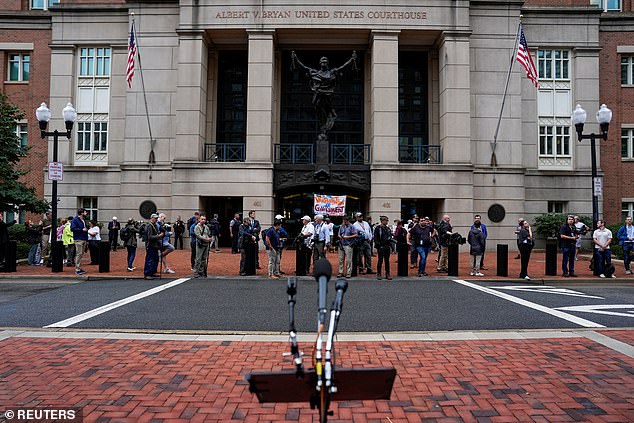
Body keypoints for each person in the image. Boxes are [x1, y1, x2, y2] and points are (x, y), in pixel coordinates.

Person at [290, 50, 357, 135]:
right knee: (320, 110)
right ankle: (323, 127)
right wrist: (295, 59)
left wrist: (352, 60)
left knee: (326, 111)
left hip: (327, 96)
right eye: (322, 62)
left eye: (325, 62)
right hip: (318, 96)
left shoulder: (332, 72)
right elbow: (303, 67)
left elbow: (343, 67)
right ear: (320, 63)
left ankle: (324, 128)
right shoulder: (315, 72)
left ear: (327, 63)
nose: (323, 63)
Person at [143, 213, 164, 280]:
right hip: (150, 245)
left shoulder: (155, 225)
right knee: (149, 259)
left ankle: (152, 272)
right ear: (151, 218)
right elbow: (150, 237)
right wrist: (158, 236)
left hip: (155, 245)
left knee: (155, 259)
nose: (156, 219)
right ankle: (147, 274)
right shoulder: (149, 226)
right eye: (155, 218)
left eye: (156, 218)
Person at [373, 216, 393, 280]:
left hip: (387, 246)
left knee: (387, 261)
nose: (386, 222)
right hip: (381, 246)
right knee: (380, 260)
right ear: (382, 221)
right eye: (385, 220)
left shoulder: (388, 228)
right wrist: (378, 246)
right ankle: (379, 273)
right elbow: (375, 238)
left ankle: (387, 273)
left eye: (387, 220)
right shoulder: (378, 228)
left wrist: (391, 246)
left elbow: (390, 237)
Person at [70, 208, 89, 275]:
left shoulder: (83, 220)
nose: (86, 213)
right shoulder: (75, 220)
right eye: (85, 212)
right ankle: (77, 269)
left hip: (83, 238)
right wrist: (82, 229)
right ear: (81, 213)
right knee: (79, 254)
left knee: (81, 254)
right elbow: (72, 228)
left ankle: (79, 267)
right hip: (78, 239)